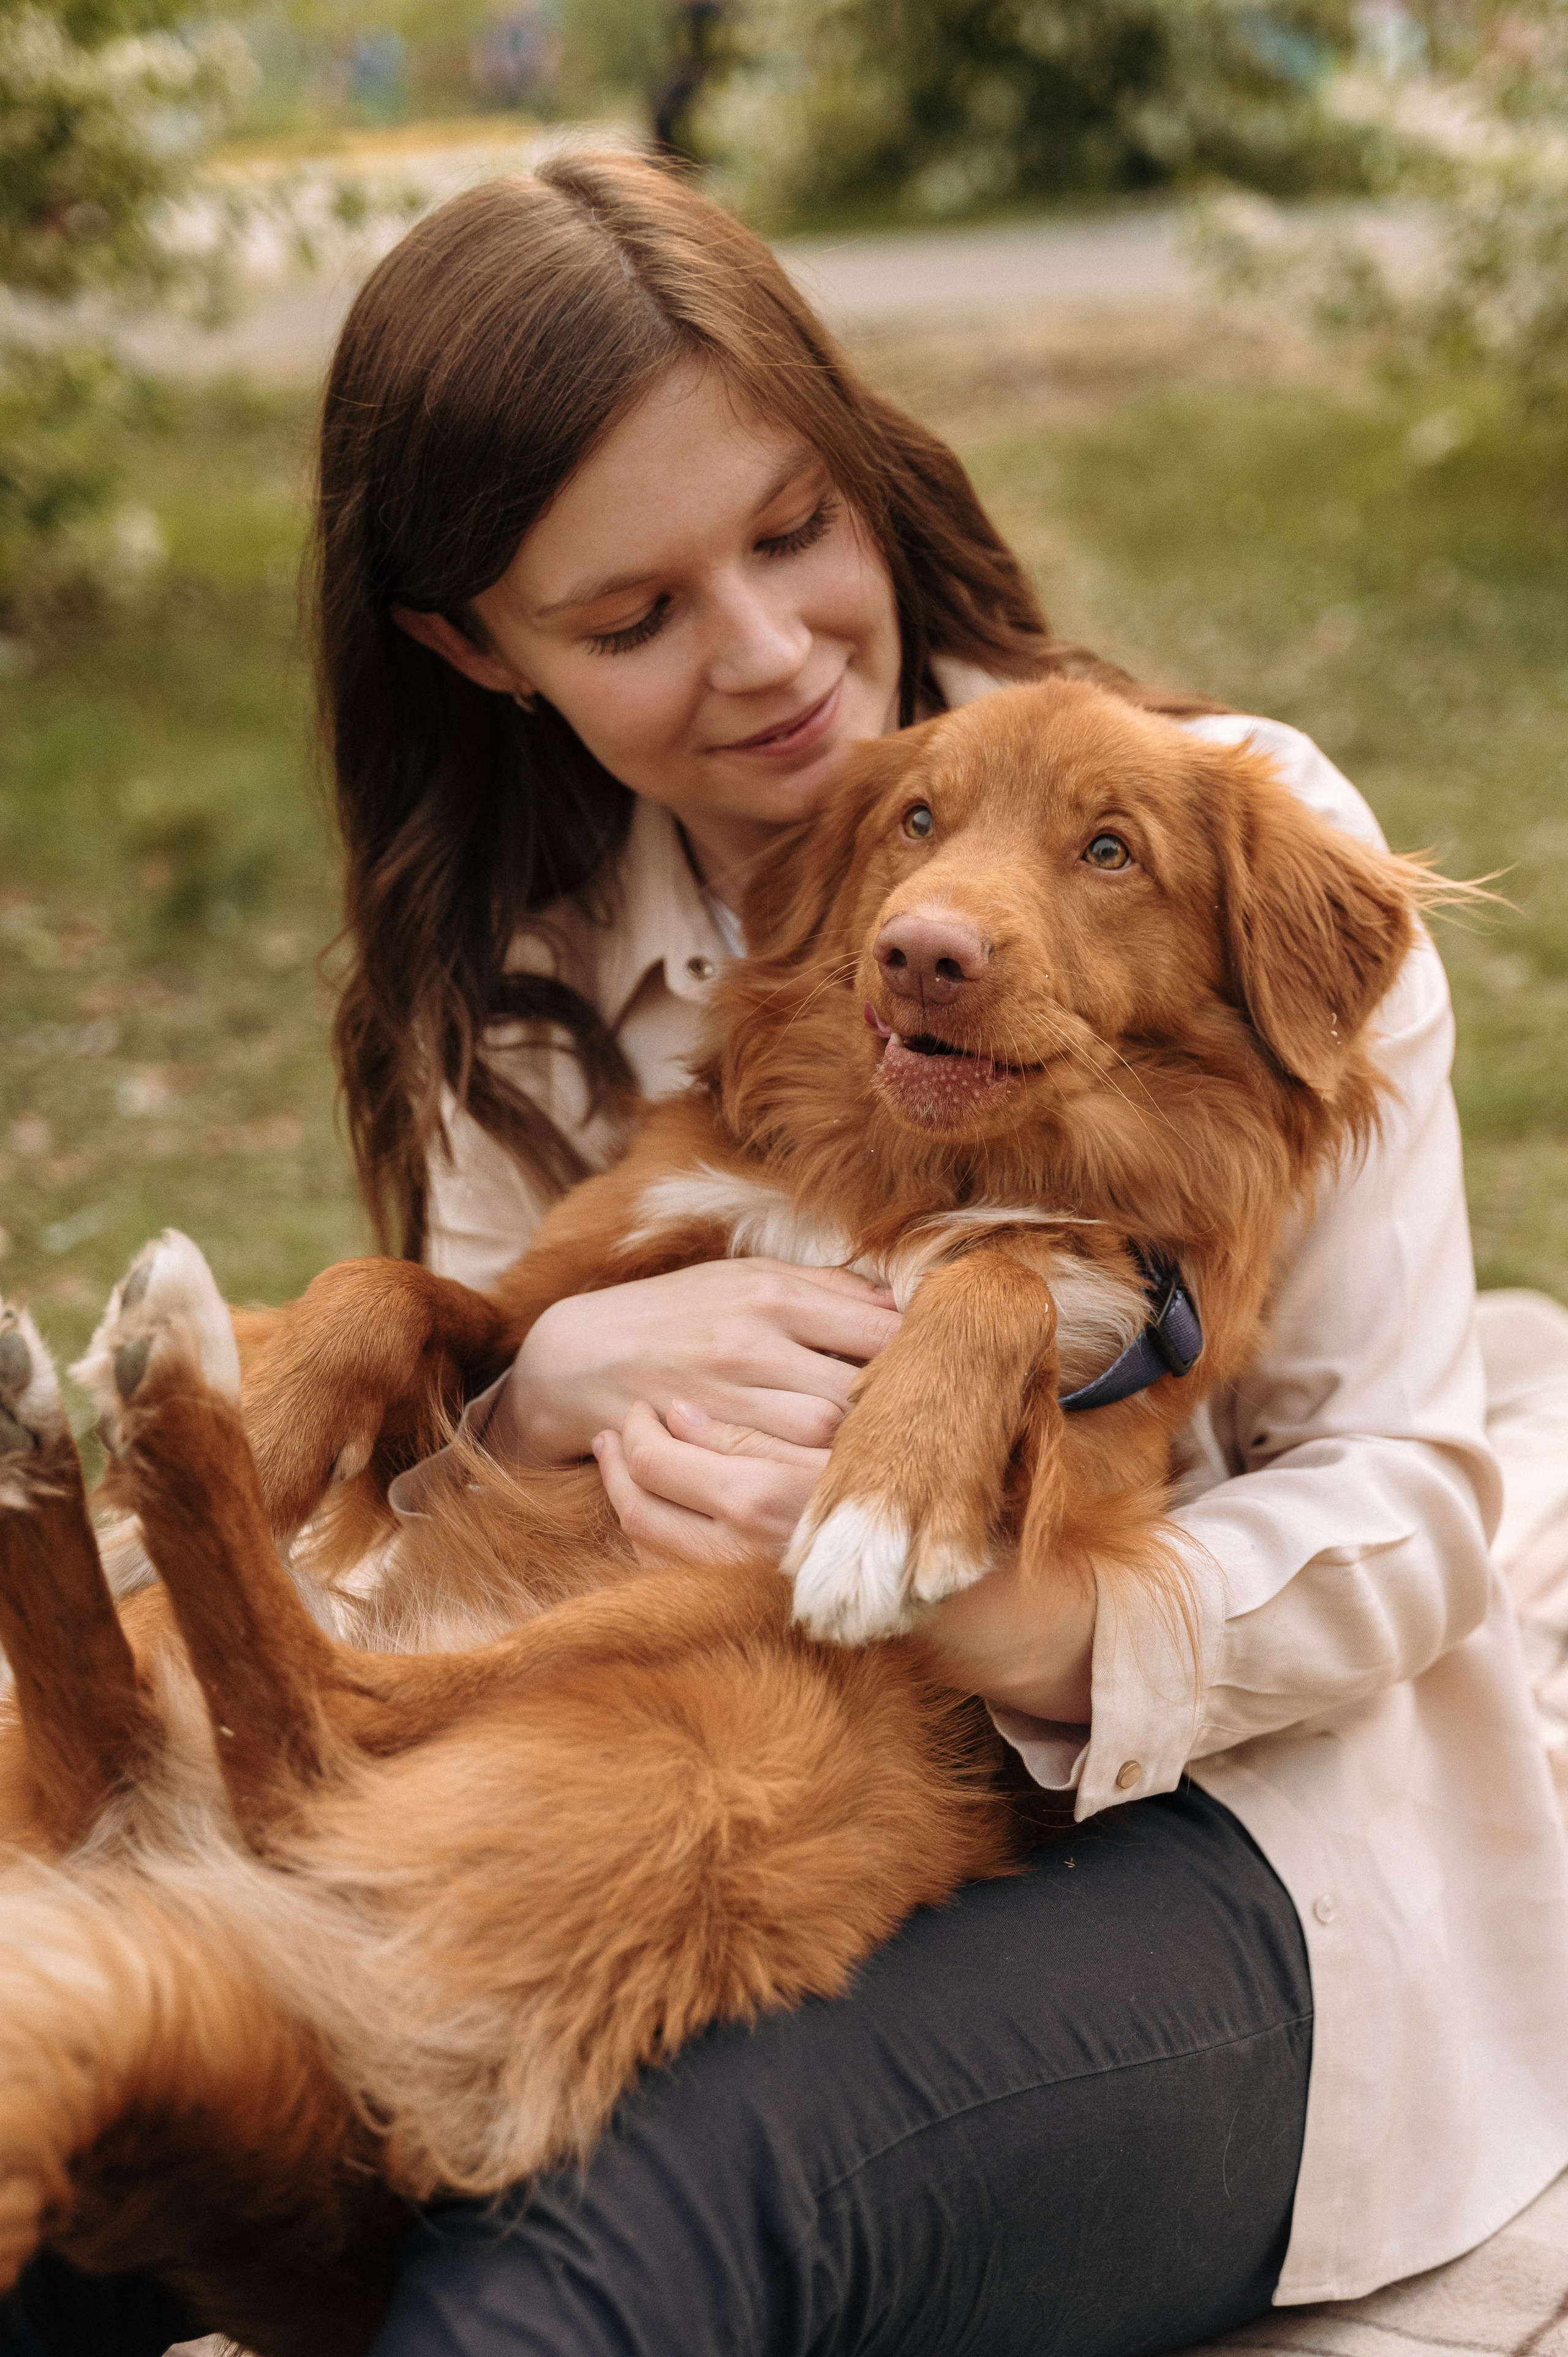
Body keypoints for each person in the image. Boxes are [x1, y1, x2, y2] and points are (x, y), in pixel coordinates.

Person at [7, 148, 1568, 2357]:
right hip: (623, 1763)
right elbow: (483, 1550)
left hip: (1240, 1852)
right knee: (125, 2204)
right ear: (478, 647)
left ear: (864, 472)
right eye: (633, 619)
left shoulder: (1242, 842)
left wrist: (1022, 1616)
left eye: (791, 535)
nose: (763, 659)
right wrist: (535, 1381)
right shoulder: (536, 988)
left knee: (580, 2269)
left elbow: (1416, 1503)